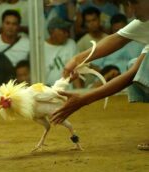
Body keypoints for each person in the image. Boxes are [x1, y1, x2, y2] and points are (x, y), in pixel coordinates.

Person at [51, 0, 149, 151]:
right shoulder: (145, 21)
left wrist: (84, 99)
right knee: (136, 63)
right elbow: (116, 39)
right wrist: (77, 59)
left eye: (135, 3)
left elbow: (133, 74)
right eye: (129, 3)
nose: (131, 10)